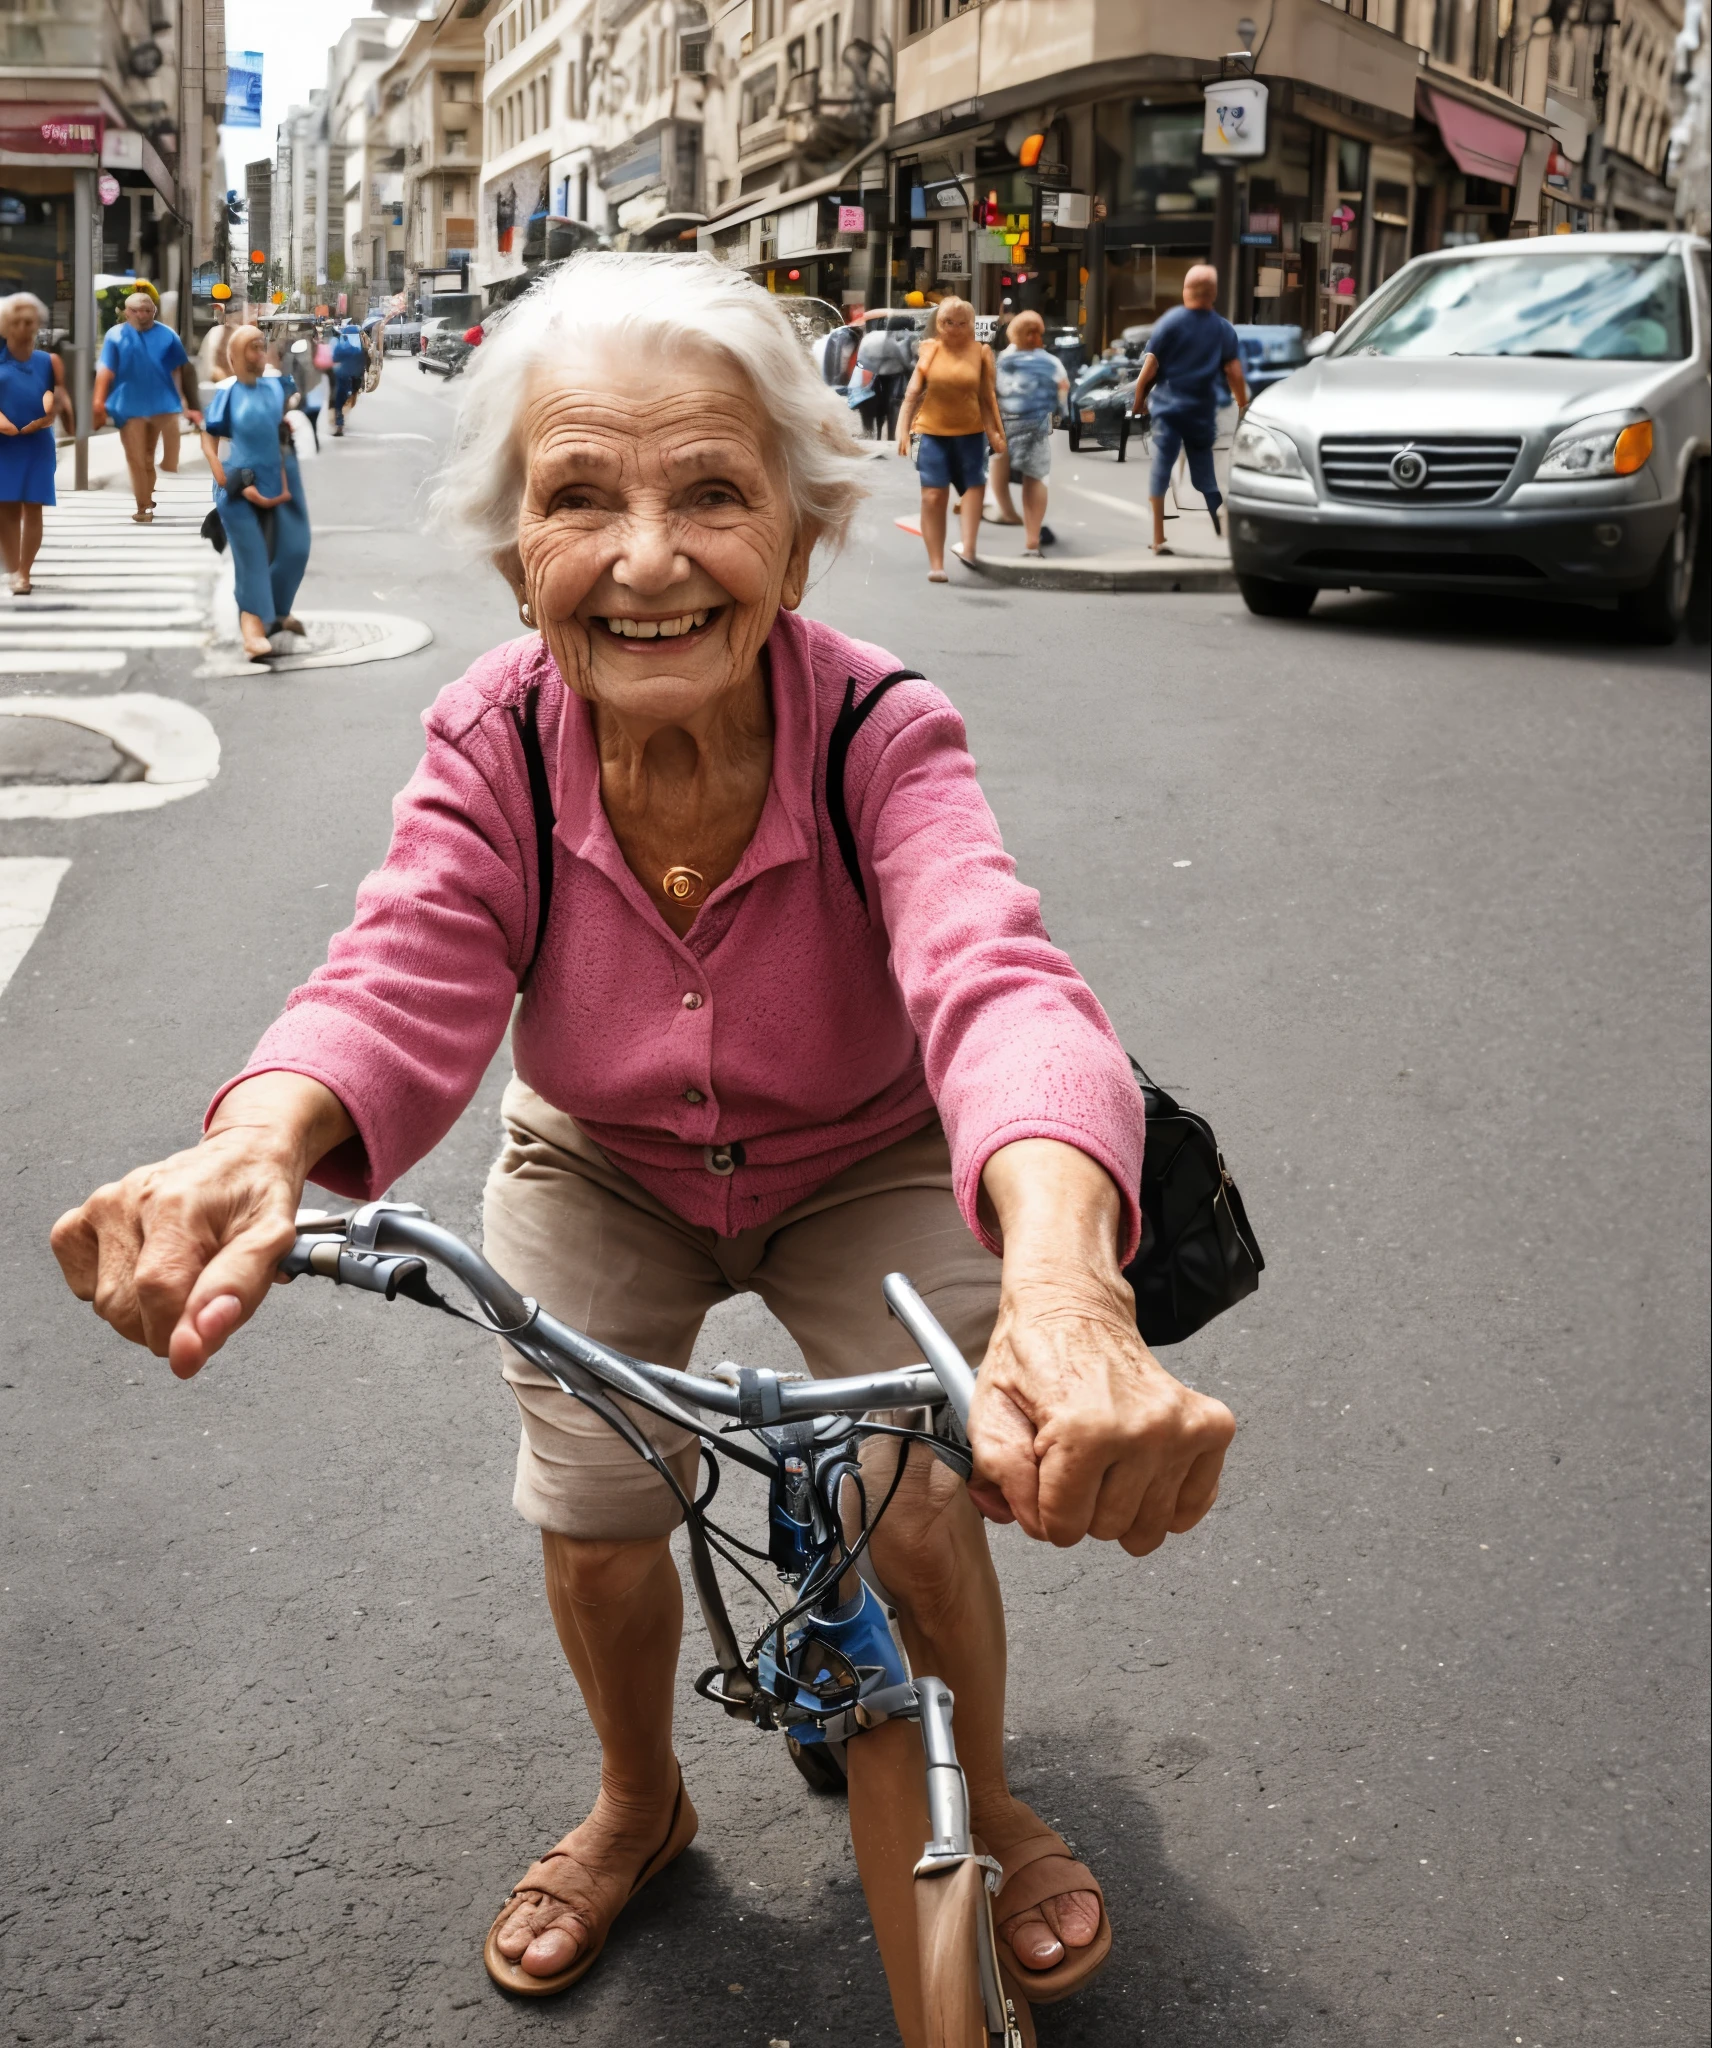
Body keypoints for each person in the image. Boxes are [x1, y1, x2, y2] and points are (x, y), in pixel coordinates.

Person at [50, 253, 1233, 2025]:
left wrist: (1068, 1286)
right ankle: (638, 1796)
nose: (646, 556)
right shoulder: (496, 735)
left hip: (863, 1150)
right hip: (600, 1156)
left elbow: (991, 972)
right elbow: (409, 953)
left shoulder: (879, 727)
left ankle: (982, 1794)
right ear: (518, 547)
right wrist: (266, 1144)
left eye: (709, 494)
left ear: (803, 535)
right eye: (580, 497)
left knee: (924, 1499)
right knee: (598, 1510)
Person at [199, 324, 311, 662]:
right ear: (233, 357)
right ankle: (253, 627)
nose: (258, 352)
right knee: (254, 559)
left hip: (281, 478)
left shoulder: (276, 385)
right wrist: (221, 475)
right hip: (242, 484)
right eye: (250, 346)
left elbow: (296, 396)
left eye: (261, 345)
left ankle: (275, 612)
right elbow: (209, 435)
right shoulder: (229, 393)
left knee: (295, 549)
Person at [1128, 265, 1249, 556]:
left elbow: (1149, 370)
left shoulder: (1170, 322)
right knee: (1204, 473)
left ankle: (1158, 537)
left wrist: (1138, 403)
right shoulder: (1222, 328)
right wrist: (1243, 404)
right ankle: (1221, 527)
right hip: (1201, 413)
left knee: (1161, 468)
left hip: (1169, 412)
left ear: (1186, 291)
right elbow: (1234, 371)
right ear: (1213, 294)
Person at [896, 294, 1005, 582]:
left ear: (971, 324)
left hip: (971, 434)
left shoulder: (981, 352)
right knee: (933, 496)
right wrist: (902, 431)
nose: (954, 328)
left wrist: (996, 432)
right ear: (939, 323)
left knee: (973, 491)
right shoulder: (929, 349)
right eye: (948, 322)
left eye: (961, 322)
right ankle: (936, 563)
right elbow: (912, 393)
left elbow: (987, 397)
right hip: (932, 433)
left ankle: (969, 548)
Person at [91, 290, 201, 524]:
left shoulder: (168, 336)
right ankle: (143, 506)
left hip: (161, 404)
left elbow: (179, 370)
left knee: (148, 456)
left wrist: (184, 401)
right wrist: (98, 403)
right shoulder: (115, 336)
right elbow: (106, 371)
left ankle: (146, 495)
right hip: (128, 406)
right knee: (136, 457)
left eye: (147, 311)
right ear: (126, 313)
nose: (141, 315)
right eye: (135, 311)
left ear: (154, 311)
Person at [0, 293, 67, 596]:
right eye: (16, 322)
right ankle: (13, 568)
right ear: (5, 326)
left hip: (37, 443)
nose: (23, 327)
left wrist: (48, 413)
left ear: (38, 325)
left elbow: (57, 398)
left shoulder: (48, 362)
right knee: (7, 510)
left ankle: (24, 571)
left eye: (29, 322)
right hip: (5, 443)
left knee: (34, 508)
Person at [988, 309, 1069, 557]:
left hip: (1006, 426)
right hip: (1035, 429)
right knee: (1035, 478)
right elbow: (1062, 393)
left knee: (999, 463)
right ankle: (1031, 537)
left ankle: (1007, 512)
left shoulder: (1001, 360)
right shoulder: (1051, 362)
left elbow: (991, 392)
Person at [856, 319, 911, 442]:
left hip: (874, 369)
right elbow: (907, 362)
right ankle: (889, 435)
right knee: (891, 403)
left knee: (873, 401)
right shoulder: (897, 339)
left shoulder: (874, 337)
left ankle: (871, 432)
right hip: (880, 370)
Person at [328, 319, 368, 436]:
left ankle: (339, 424)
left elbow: (334, 359)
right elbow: (364, 363)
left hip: (342, 377)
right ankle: (341, 420)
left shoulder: (340, 347)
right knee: (349, 399)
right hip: (356, 377)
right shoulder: (358, 349)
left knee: (338, 402)